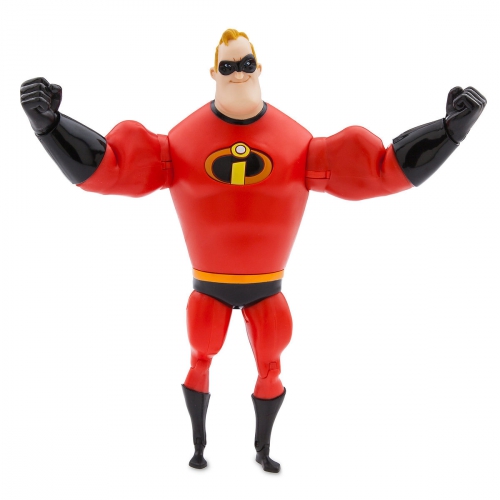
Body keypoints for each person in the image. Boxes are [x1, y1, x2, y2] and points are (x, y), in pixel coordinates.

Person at [20, 29, 486, 473]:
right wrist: (51, 126)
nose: (238, 72)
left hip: (267, 287)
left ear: (259, 67)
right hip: (209, 286)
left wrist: (449, 131)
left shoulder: (299, 145)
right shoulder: (179, 144)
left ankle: (263, 450)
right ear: (213, 72)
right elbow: (110, 169)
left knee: (270, 364)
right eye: (229, 65)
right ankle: (199, 446)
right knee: (200, 357)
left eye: (246, 63)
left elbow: (380, 170)